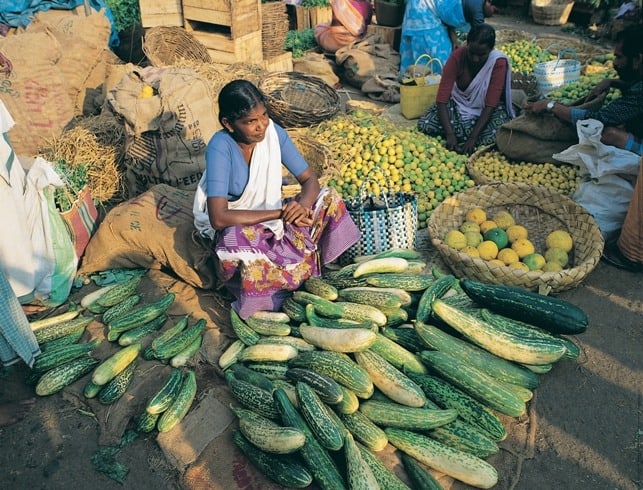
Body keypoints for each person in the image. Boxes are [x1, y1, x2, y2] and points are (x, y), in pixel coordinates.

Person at [193, 80, 361, 319]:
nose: (261, 126)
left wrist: (299, 208)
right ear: (228, 124)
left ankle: (311, 268)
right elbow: (219, 217)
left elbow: (310, 180)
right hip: (243, 224)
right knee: (233, 240)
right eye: (250, 122)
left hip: (276, 219)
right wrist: (280, 213)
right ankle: (272, 291)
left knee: (329, 198)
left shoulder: (274, 134)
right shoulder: (220, 147)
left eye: (264, 116)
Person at [526, 24, 643, 272]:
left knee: (611, 135)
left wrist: (551, 107)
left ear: (638, 60)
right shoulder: (636, 84)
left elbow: (602, 119)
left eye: (620, 57)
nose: (615, 62)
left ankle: (631, 255)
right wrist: (614, 82)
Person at [418, 23, 514, 155]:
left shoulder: (498, 63)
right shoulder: (457, 57)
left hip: (485, 112)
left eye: (481, 55)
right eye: (472, 53)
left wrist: (473, 138)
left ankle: (468, 136)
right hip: (459, 105)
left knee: (501, 133)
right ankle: (459, 135)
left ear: (491, 49)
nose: (475, 59)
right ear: (467, 44)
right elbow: (442, 99)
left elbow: (490, 104)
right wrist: (450, 134)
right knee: (426, 123)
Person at [399, 0, 467, 76]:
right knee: (437, 68)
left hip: (412, 20)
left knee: (411, 68)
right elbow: (448, 13)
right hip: (429, 26)